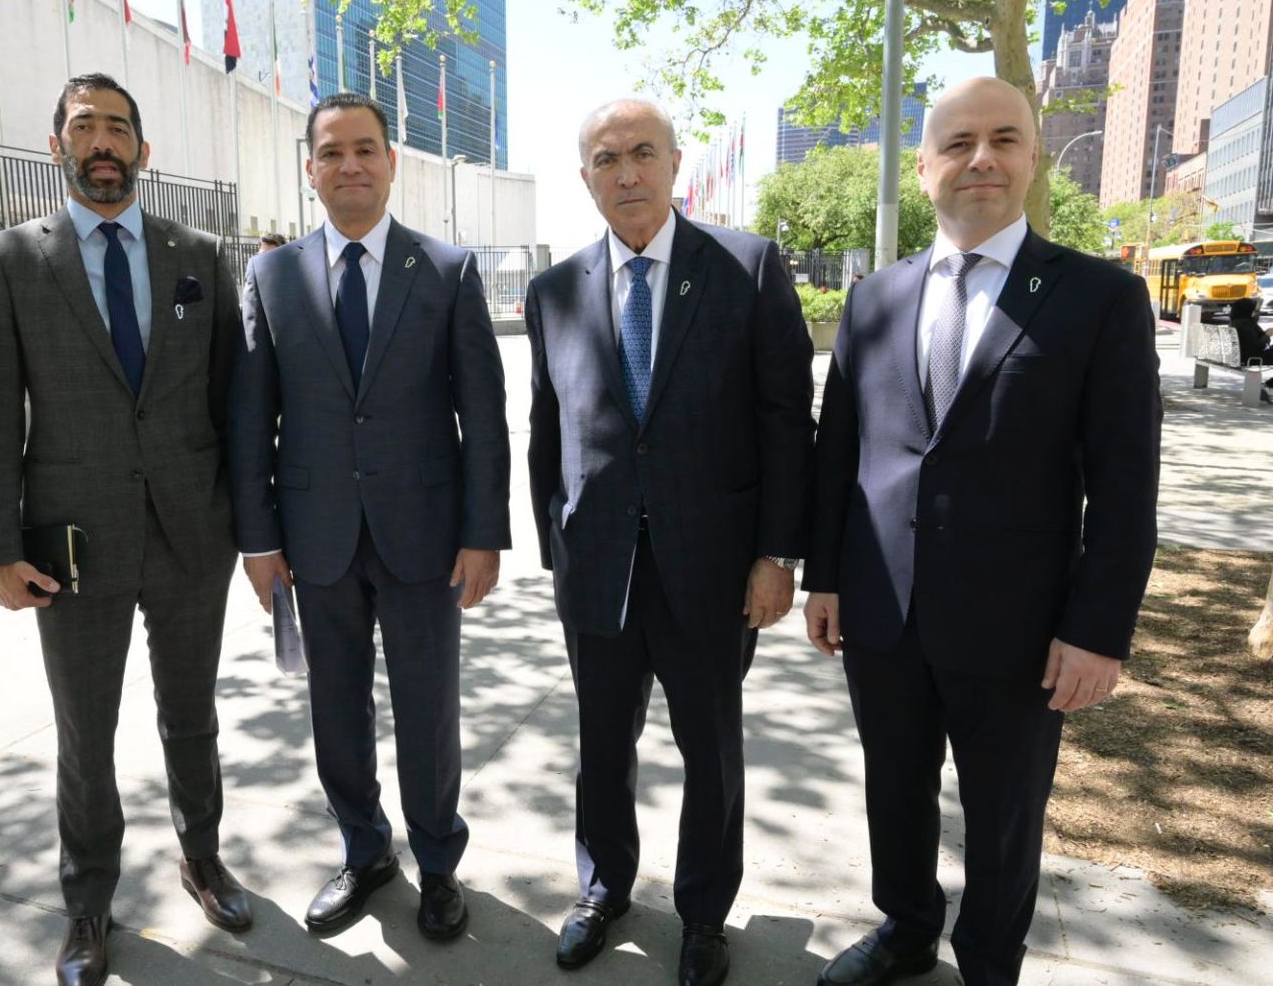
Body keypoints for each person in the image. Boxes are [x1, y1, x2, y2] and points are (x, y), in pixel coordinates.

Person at [803, 77, 1162, 986]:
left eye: (1004, 139)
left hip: (1020, 628)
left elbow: (1126, 487)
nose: (981, 159)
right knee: (894, 788)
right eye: (958, 143)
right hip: (883, 612)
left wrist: (1098, 630)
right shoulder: (874, 299)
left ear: (1034, 157)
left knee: (1005, 812)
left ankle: (990, 960)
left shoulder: (1100, 297)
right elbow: (840, 453)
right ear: (925, 167)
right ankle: (905, 927)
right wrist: (826, 578)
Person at [0, 73, 253, 986]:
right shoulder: (9, 260)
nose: (102, 142)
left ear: (142, 149)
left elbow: (233, 403)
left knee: (191, 714)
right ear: (56, 146)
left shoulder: (199, 255)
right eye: (84, 126)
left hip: (191, 534)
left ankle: (202, 858)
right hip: (70, 546)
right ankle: (88, 901)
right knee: (85, 732)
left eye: (118, 128)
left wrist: (248, 528)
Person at [525, 98, 815, 986]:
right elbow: (545, 429)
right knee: (601, 745)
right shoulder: (553, 289)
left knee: (711, 751)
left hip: (713, 570)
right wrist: (556, 545)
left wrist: (778, 554)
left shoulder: (747, 267)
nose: (627, 173)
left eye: (643, 153)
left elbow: (786, 422)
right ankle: (603, 887)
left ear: (675, 163)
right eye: (607, 159)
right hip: (598, 569)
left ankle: (703, 914)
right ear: (586, 179)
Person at [227, 92, 510, 941]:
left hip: (425, 537)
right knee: (335, 708)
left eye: (364, 149)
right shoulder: (271, 276)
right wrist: (258, 539)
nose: (348, 165)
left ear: (391, 162)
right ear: (309, 170)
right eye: (331, 152)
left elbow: (483, 415)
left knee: (429, 710)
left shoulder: (447, 269)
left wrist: (483, 533)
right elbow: (252, 415)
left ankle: (439, 862)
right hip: (315, 539)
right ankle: (364, 849)